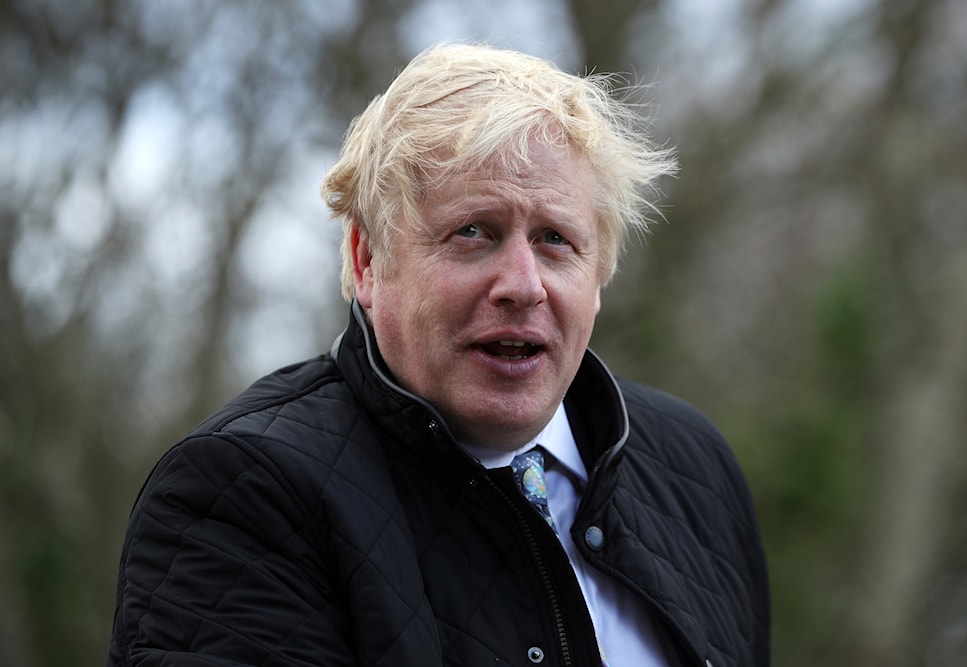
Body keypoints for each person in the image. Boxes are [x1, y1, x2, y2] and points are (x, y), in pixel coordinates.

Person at [106, 43, 769, 667]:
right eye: (473, 232)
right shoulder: (242, 497)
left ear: (599, 274)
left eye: (556, 239)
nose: (522, 284)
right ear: (369, 260)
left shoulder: (692, 466)